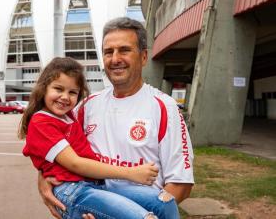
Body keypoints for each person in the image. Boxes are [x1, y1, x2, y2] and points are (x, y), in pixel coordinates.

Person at [38, 17, 194, 219]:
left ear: (144, 57)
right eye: (108, 52)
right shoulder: (86, 106)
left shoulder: (164, 107)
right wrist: (43, 179)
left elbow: (182, 183)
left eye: (124, 50)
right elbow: (53, 150)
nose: (115, 59)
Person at [20, 57, 177, 219]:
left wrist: (43, 172)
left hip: (94, 185)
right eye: (58, 89)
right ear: (43, 88)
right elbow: (75, 163)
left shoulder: (69, 115)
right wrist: (131, 173)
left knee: (165, 202)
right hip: (73, 192)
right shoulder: (41, 122)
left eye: (72, 92)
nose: (65, 97)